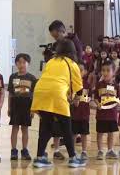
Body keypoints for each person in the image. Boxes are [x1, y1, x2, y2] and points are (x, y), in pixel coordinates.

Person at [31, 39, 86, 168]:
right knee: (66, 128)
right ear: (73, 51)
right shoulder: (72, 64)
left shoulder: (51, 61)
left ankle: (39, 158)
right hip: (57, 93)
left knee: (46, 126)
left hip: (40, 92)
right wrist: (77, 98)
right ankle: (73, 158)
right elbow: (79, 88)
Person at [8, 53, 37, 161]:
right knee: (14, 128)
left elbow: (35, 95)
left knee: (25, 129)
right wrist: (9, 107)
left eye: (24, 62)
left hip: (27, 106)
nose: (21, 64)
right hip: (15, 105)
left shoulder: (32, 78)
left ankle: (24, 150)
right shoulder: (13, 77)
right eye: (19, 62)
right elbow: (10, 94)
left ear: (28, 64)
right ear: (16, 64)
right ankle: (14, 150)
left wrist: (33, 109)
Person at [94, 60, 120, 160]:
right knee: (100, 133)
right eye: (103, 70)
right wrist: (97, 104)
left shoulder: (116, 86)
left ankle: (110, 150)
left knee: (111, 133)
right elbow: (95, 97)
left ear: (113, 72)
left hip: (112, 114)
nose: (105, 73)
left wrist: (118, 103)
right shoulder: (98, 84)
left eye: (108, 70)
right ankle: (100, 151)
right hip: (101, 114)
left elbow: (119, 98)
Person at [71, 62, 91, 160]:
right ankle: (72, 151)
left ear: (85, 72)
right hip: (74, 114)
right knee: (73, 133)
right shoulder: (71, 84)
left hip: (84, 114)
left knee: (84, 134)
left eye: (81, 70)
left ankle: (84, 151)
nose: (79, 72)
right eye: (76, 70)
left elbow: (89, 98)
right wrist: (73, 101)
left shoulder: (87, 84)